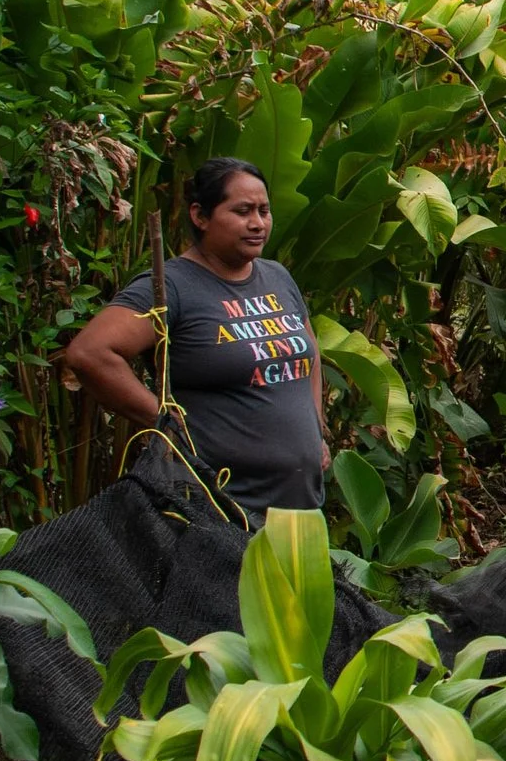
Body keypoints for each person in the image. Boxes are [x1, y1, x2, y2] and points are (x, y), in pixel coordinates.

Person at [65, 156, 327, 520]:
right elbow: (90, 353)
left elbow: (308, 356)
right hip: (220, 507)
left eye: (264, 211)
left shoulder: (278, 277)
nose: (257, 223)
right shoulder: (173, 286)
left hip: (300, 506)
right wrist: (169, 426)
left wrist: (316, 430)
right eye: (242, 211)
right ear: (200, 216)